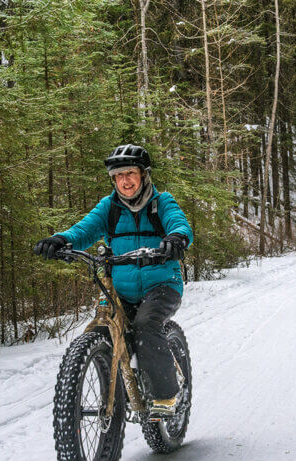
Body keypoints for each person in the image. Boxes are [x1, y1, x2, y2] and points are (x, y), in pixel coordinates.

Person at [33, 144, 193, 415]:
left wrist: (176, 238)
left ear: (143, 175)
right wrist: (61, 240)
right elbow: (84, 229)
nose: (125, 181)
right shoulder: (110, 207)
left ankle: (166, 395)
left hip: (162, 285)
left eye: (130, 173)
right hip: (122, 288)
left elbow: (179, 224)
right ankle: (115, 400)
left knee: (145, 325)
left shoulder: (161, 202)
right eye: (118, 176)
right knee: (103, 331)